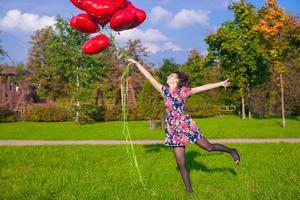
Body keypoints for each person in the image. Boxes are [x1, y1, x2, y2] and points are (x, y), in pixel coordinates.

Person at [126, 58, 240, 193]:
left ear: (177, 80)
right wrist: (137, 64)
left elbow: (203, 87)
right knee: (181, 163)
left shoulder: (184, 91)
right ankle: (189, 191)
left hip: (186, 125)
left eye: (171, 75)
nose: (168, 76)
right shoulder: (164, 91)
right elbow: (149, 77)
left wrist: (220, 83)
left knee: (208, 148)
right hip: (173, 129)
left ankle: (231, 151)